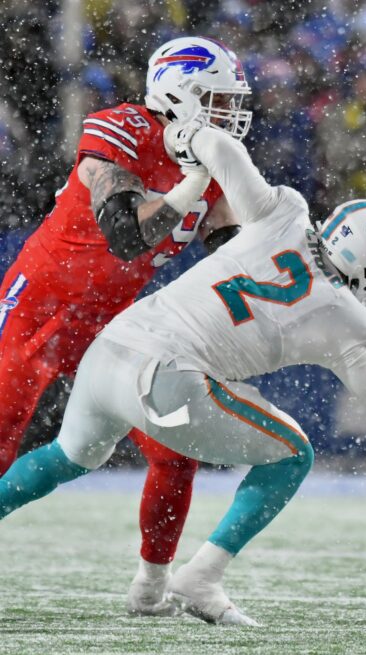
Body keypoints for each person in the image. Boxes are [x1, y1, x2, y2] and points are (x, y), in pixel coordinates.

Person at [0, 121, 366, 626]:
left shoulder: (286, 213)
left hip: (112, 348)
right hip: (167, 376)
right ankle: (201, 577)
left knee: (65, 456)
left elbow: (221, 147)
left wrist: (184, 135)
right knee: (293, 455)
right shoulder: (350, 322)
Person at [0, 36, 251, 616]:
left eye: (232, 102)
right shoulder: (122, 130)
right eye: (215, 100)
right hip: (40, 307)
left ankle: (149, 590)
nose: (228, 116)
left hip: (112, 325)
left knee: (174, 449)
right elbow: (126, 234)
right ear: (176, 94)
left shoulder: (216, 167)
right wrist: (190, 181)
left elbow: (233, 254)